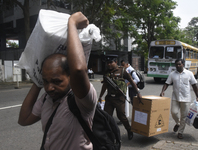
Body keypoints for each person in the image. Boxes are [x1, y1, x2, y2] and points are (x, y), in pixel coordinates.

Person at [18, 12, 97, 150]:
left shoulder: (82, 101)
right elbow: (23, 119)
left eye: (56, 81)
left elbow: (79, 70)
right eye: (46, 82)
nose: (49, 88)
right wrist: (38, 82)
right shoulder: (46, 100)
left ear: (70, 77)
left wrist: (72, 23)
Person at [98, 55, 142, 140]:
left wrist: (138, 93)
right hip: (109, 98)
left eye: (111, 62)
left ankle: (129, 130)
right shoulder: (107, 72)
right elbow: (105, 85)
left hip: (119, 99)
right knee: (107, 116)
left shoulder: (122, 71)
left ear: (116, 62)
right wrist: (100, 96)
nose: (109, 64)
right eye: (108, 63)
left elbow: (132, 81)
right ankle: (108, 134)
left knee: (121, 117)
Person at [160, 58, 198, 139]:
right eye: (176, 64)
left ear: (183, 64)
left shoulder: (189, 73)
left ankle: (180, 132)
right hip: (175, 97)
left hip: (186, 98)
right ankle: (178, 123)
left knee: (184, 116)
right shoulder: (172, 74)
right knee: (173, 112)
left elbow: (194, 85)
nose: (177, 66)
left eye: (179, 64)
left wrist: (197, 96)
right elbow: (167, 83)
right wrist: (162, 91)